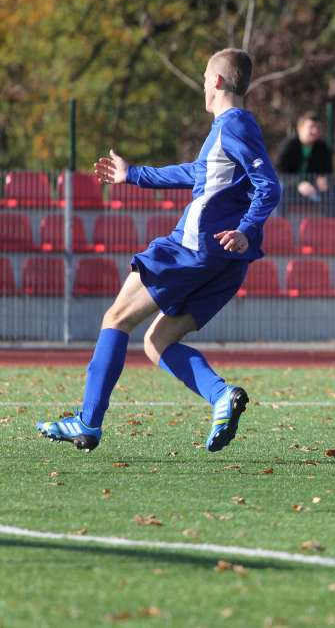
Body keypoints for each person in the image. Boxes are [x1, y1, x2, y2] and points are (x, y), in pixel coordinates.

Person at [36, 48, 281, 452]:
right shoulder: (230, 129)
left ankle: (88, 422)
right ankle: (221, 395)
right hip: (227, 262)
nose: (203, 85)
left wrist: (246, 228)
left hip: (194, 247)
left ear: (217, 81)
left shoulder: (234, 124)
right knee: (157, 342)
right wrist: (133, 174)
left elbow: (269, 185)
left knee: (116, 318)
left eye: (204, 77)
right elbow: (196, 173)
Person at [274, 111, 335, 214]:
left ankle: (329, 221)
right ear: (300, 128)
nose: (315, 131)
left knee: (334, 191)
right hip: (290, 186)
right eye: (311, 127)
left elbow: (328, 171)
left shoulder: (323, 148)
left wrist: (324, 179)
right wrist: (298, 183)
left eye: (318, 127)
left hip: (313, 188)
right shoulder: (289, 145)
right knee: (279, 189)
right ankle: (280, 221)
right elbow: (279, 170)